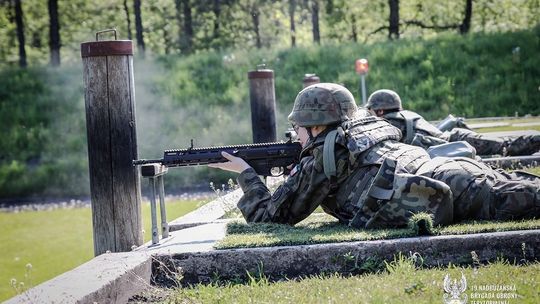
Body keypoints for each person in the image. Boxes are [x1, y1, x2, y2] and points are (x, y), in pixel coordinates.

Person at [209, 83, 540, 229]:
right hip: (448, 169)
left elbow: (270, 218)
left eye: (299, 127)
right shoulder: (358, 131)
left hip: (449, 186)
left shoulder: (327, 153)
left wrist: (245, 173)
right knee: (523, 188)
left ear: (316, 126)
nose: (295, 133)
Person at [365, 89, 540, 156]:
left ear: (380, 111)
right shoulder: (407, 115)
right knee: (506, 145)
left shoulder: (390, 124)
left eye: (372, 110)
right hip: (455, 139)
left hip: (455, 144)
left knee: (507, 148)